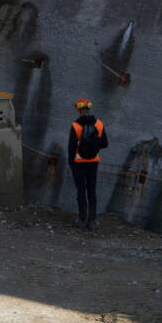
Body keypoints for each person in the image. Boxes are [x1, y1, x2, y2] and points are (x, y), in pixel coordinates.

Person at [67, 97, 107, 230]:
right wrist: (94, 147)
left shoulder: (75, 126)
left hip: (78, 163)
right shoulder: (99, 124)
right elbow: (105, 143)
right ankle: (92, 222)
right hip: (93, 163)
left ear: (78, 111)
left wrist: (71, 163)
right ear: (89, 108)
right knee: (92, 191)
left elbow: (71, 147)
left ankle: (82, 220)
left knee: (81, 191)